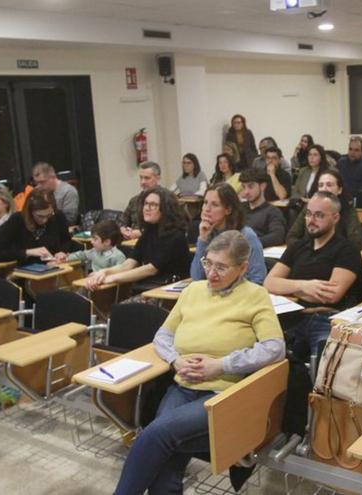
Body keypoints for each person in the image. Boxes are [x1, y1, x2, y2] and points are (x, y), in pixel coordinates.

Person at [114, 230, 285, 494]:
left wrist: (222, 365)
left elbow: (274, 349)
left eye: (221, 267)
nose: (212, 273)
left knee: (155, 435)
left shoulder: (255, 295)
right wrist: (176, 360)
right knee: (166, 457)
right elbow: (163, 336)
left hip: (222, 393)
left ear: (243, 268)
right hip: (183, 385)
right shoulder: (193, 290)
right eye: (208, 263)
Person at [265, 192, 362, 359]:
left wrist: (287, 288)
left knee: (325, 362)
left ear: (335, 217)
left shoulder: (347, 250)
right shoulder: (297, 247)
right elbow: (269, 283)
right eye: (308, 214)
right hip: (292, 315)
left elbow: (329, 295)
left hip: (327, 318)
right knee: (264, 353)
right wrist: (304, 286)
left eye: (319, 215)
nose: (311, 220)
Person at [87, 188, 190, 292]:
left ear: (166, 209)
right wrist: (105, 272)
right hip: (149, 286)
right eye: (146, 203)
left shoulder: (176, 236)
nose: (147, 208)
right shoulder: (149, 232)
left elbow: (151, 269)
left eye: (153, 204)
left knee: (122, 307)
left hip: (167, 290)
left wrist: (113, 278)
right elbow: (130, 263)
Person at [191, 184, 266, 284]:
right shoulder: (207, 233)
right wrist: (203, 239)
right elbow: (197, 278)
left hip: (240, 294)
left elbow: (258, 278)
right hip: (213, 293)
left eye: (215, 205)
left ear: (228, 209)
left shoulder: (246, 236)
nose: (207, 209)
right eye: (205, 203)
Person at [0, 189, 78, 265]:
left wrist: (62, 252)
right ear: (30, 212)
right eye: (40, 216)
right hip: (25, 271)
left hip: (54, 267)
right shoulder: (17, 220)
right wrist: (28, 252)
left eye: (49, 215)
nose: (45, 220)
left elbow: (66, 241)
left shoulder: (58, 216)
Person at [286, 169, 362, 248]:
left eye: (329, 185)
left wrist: (326, 251)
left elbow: (356, 242)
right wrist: (306, 250)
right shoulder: (309, 207)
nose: (324, 189)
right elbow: (291, 236)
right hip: (308, 253)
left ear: (339, 190)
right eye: (321, 185)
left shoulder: (348, 209)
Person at [54, 220, 126, 274]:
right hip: (91, 284)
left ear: (107, 242)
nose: (91, 241)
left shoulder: (118, 256)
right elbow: (82, 254)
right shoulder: (94, 251)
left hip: (107, 288)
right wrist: (66, 258)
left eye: (95, 239)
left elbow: (121, 274)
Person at [239, 168, 286, 248]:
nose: (246, 192)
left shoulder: (272, 212)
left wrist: (250, 243)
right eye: (244, 187)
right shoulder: (239, 208)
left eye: (250, 186)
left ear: (262, 186)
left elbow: (277, 236)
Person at [120, 161, 164, 241]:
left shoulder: (166, 199)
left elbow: (169, 227)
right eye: (141, 178)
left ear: (158, 178)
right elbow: (122, 221)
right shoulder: (134, 200)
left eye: (147, 178)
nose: (142, 182)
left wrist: (141, 233)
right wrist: (123, 229)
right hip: (131, 243)